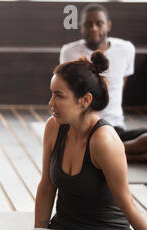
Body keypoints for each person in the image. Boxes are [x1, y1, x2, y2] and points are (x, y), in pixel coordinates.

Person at [21, 51, 147, 230]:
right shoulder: (54, 128)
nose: (51, 104)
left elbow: (126, 202)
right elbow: (47, 186)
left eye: (59, 96)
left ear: (85, 100)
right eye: (51, 94)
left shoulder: (104, 140)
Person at [60, 3, 147, 162]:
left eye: (99, 23)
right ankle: (107, 151)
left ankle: (113, 153)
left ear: (108, 25)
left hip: (115, 128)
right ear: (81, 27)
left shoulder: (126, 49)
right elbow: (67, 92)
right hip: (85, 129)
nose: (93, 28)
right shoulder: (69, 52)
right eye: (88, 24)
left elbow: (121, 85)